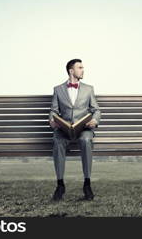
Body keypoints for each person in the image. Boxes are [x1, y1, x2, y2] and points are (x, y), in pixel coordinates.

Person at [48, 59, 101, 201]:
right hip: (64, 129)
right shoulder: (58, 89)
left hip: (83, 129)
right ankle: (60, 184)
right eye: (80, 67)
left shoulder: (89, 89)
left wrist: (94, 120)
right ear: (71, 71)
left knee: (86, 140)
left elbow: (96, 110)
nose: (83, 70)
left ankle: (87, 183)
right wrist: (52, 121)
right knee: (58, 141)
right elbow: (53, 110)